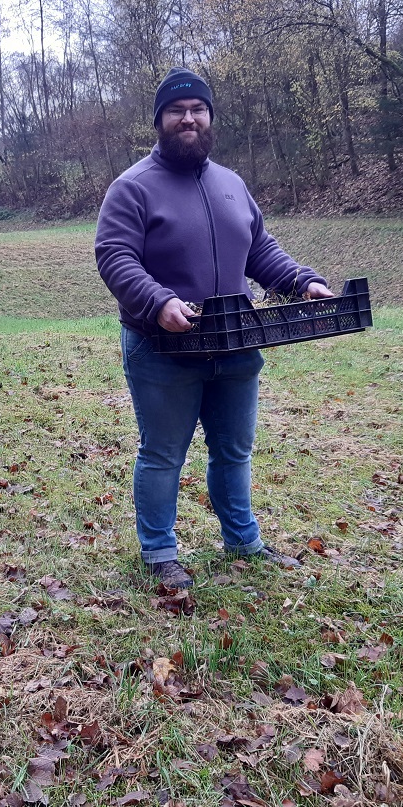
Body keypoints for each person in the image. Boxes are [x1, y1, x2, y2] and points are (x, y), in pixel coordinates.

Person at [94, 67, 335, 590]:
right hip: (162, 346)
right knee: (162, 453)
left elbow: (259, 250)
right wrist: (157, 301)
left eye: (197, 110)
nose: (188, 118)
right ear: (160, 121)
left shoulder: (231, 183)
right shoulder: (132, 188)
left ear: (209, 119)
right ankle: (159, 552)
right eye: (176, 111)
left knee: (234, 449)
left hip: (234, 344)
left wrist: (302, 282)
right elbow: (113, 256)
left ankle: (243, 540)